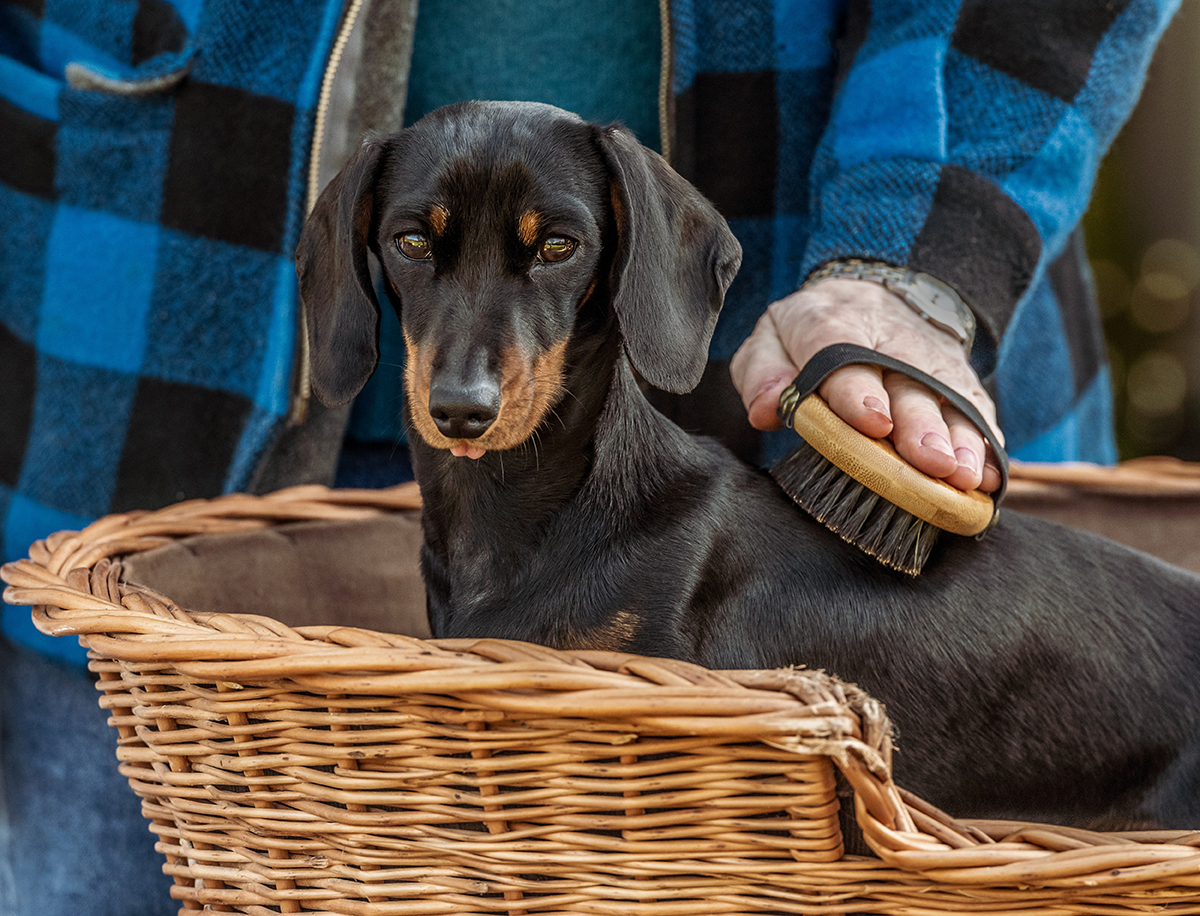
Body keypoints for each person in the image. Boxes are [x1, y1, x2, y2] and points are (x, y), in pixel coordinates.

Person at [0, 1, 1181, 913]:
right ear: (364, 259)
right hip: (136, 419)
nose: (467, 375)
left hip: (829, 374)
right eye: (417, 245)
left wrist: (912, 258)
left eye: (550, 249)